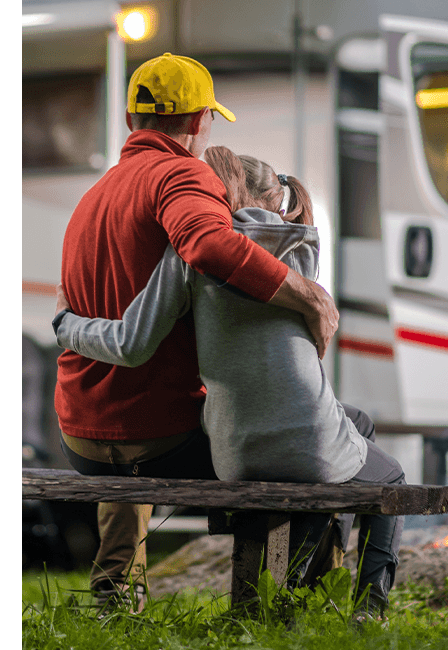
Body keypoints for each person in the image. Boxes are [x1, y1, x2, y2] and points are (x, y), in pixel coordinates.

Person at [55, 146, 403, 616]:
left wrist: (65, 322)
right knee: (383, 473)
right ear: (279, 202)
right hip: (292, 436)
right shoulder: (302, 247)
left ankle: (126, 592)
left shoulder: (182, 253)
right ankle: (359, 605)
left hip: (231, 446)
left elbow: (130, 342)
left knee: (336, 437)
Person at [55, 52, 338, 609]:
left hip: (81, 436)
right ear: (199, 120)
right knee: (285, 450)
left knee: (138, 406)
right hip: (156, 438)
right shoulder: (181, 173)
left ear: (133, 119)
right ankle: (278, 605)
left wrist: (69, 327)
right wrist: (308, 296)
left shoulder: (95, 196)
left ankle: (115, 602)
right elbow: (208, 244)